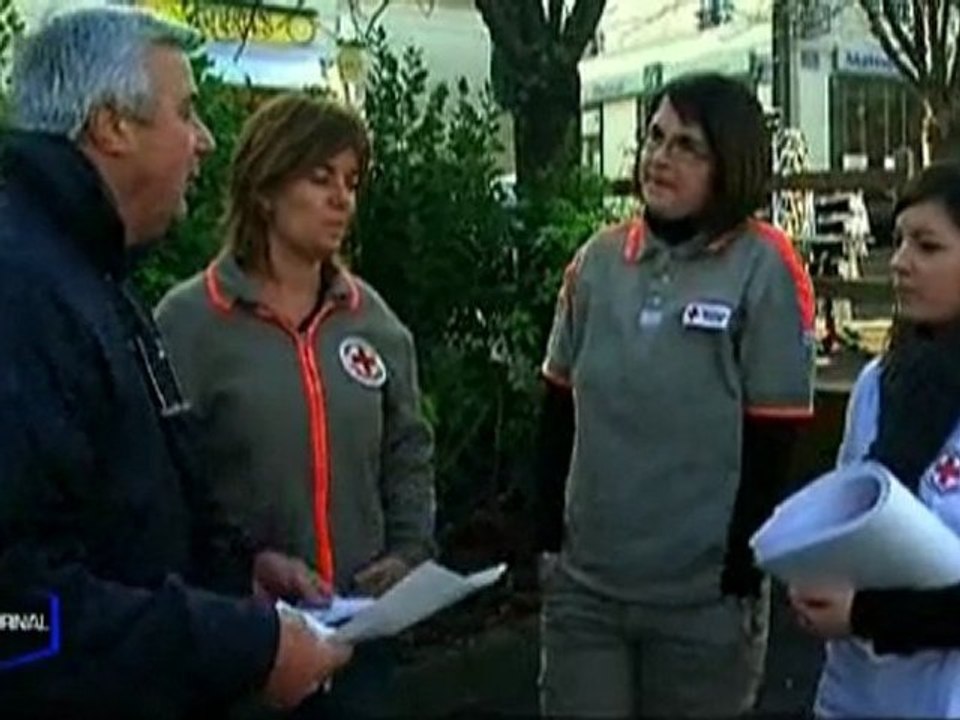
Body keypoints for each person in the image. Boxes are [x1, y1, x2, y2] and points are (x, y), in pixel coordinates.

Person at [0, 8, 352, 719]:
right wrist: (240, 645)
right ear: (112, 126)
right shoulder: (21, 292)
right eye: (186, 112)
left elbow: (123, 514)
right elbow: (19, 622)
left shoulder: (90, 275)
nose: (205, 140)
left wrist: (234, 578)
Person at [534, 72, 816, 717]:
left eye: (688, 145)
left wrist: (738, 573)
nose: (660, 158)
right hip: (587, 592)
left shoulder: (766, 268)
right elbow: (556, 408)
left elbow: (775, 437)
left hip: (702, 603)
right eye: (655, 138)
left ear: (731, 162)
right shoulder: (597, 262)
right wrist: (547, 543)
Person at [154, 93, 436, 717]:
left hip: (360, 646)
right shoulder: (188, 323)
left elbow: (407, 448)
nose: (343, 198)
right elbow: (162, 486)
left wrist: (409, 553)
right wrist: (240, 572)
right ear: (265, 189)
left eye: (351, 182)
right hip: (242, 648)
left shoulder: (374, 321)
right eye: (320, 178)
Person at [791, 162, 960, 718]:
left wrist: (867, 614)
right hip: (856, 697)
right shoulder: (876, 385)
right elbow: (849, 525)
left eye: (928, 246)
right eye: (899, 241)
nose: (902, 263)